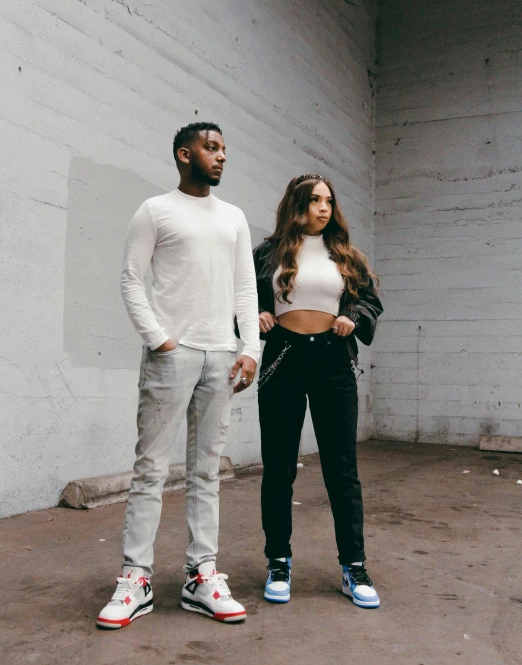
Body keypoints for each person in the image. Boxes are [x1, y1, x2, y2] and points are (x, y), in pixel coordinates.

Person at [97, 122, 260, 628]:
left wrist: (250, 347)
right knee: (150, 469)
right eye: (212, 148)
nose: (221, 157)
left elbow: (245, 289)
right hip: (173, 356)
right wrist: (159, 340)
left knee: (206, 471)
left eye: (224, 150)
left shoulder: (233, 217)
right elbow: (131, 279)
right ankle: (135, 578)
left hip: (221, 356)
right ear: (183, 154)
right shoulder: (155, 210)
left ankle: (201, 575)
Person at [253, 174, 383, 609]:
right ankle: (278, 560)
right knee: (279, 467)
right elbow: (239, 298)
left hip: (332, 361)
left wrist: (353, 317)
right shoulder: (268, 254)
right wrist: (257, 314)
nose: (323, 208)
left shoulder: (346, 256)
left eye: (328, 201)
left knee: (341, 470)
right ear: (296, 205)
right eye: (313, 201)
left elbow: (370, 302)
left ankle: (354, 565)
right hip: (283, 360)